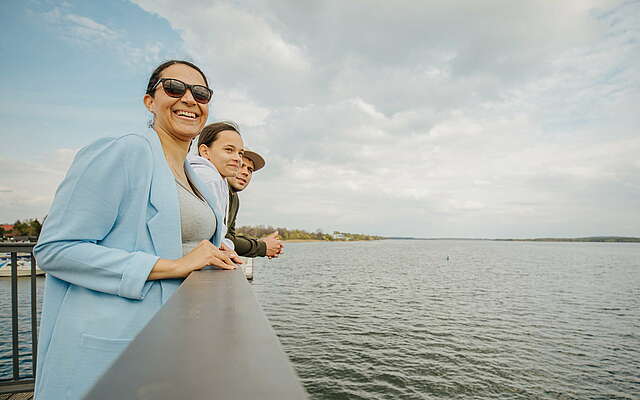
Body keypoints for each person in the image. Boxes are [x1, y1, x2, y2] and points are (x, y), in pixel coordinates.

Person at [33, 60, 239, 400]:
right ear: (149, 102)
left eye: (200, 93)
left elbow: (187, 241)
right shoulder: (125, 151)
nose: (189, 98)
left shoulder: (194, 176)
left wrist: (215, 253)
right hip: (115, 343)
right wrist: (173, 266)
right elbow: (55, 249)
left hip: (171, 339)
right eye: (174, 88)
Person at [188, 121, 244, 252]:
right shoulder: (208, 178)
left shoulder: (214, 177)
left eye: (240, 153)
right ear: (205, 151)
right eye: (229, 150)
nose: (238, 158)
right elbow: (215, 239)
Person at [227, 150, 284, 258]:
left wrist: (260, 242)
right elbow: (222, 241)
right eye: (240, 165)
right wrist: (262, 247)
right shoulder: (218, 189)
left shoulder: (234, 198)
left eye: (250, 170)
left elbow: (230, 237)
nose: (246, 172)